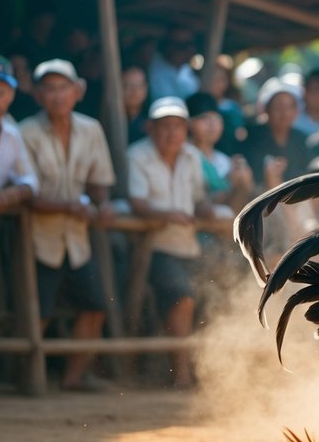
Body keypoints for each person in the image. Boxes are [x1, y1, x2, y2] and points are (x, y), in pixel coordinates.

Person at [19, 59, 116, 391]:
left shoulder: (91, 129)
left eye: (63, 87)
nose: (57, 95)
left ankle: (72, 378)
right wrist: (69, 206)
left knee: (95, 307)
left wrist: (101, 204)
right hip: (35, 236)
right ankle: (29, 379)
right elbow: (25, 192)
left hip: (77, 238)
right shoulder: (25, 132)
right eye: (50, 88)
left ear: (77, 91)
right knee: (36, 313)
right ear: (37, 95)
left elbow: (99, 181)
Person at [127, 97, 214, 389]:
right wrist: (166, 214)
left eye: (177, 126)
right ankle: (182, 372)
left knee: (213, 293)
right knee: (183, 295)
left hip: (189, 246)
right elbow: (136, 202)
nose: (171, 132)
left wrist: (206, 208)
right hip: (152, 248)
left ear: (185, 129)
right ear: (150, 128)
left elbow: (199, 197)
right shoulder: (137, 155)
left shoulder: (191, 156)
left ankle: (204, 369)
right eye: (164, 126)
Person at [0, 54, 38, 383]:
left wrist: (7, 196)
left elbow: (30, 181)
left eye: (1, 92)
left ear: (12, 95)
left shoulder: (12, 135)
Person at [186, 92, 253, 215]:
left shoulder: (224, 161)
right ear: (189, 123)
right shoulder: (185, 156)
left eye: (216, 118)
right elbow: (200, 206)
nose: (212, 125)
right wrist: (230, 182)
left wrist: (243, 183)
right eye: (204, 118)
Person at [242, 76, 309, 190]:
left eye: (290, 107)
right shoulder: (252, 136)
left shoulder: (301, 138)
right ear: (266, 109)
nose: (285, 113)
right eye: (278, 107)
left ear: (296, 110)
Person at [148, 26, 199, 101]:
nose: (183, 50)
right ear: (167, 45)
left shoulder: (188, 71)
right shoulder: (152, 66)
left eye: (188, 44)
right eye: (179, 45)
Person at [122, 65, 150, 145]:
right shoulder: (109, 119)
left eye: (139, 86)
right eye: (128, 85)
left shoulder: (151, 121)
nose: (134, 91)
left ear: (146, 88)